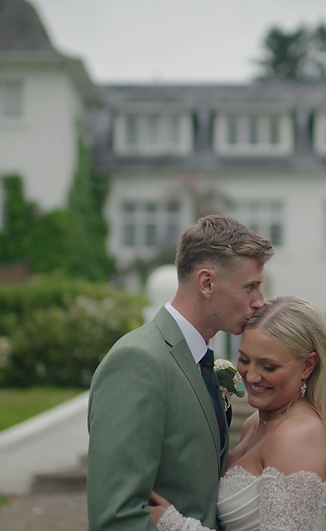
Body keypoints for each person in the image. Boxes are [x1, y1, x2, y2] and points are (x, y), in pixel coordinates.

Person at [87, 215, 274, 531]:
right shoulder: (138, 362)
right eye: (250, 287)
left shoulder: (199, 360)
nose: (260, 301)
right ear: (207, 283)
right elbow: (115, 519)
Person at [147, 295, 326, 531]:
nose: (252, 377)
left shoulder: (298, 436)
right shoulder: (255, 422)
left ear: (308, 365)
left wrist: (173, 525)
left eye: (269, 367)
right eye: (244, 359)